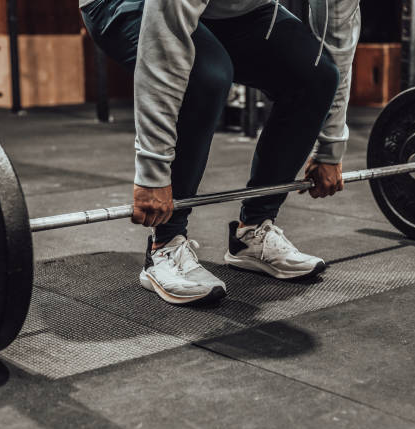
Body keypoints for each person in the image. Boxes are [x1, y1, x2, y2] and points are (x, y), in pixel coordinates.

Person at [81, 0, 361, 305]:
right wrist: (153, 171)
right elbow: (164, 49)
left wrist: (331, 147)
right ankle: (165, 245)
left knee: (317, 74)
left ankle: (254, 231)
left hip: (230, 9)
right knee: (207, 74)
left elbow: (335, 42)